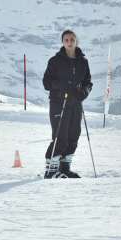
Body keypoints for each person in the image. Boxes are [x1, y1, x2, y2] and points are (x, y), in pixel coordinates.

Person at [40, 29, 92, 179]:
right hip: (59, 102)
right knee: (60, 136)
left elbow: (88, 82)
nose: (69, 42)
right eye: (66, 40)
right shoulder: (55, 61)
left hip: (76, 103)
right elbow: (46, 82)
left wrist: (84, 92)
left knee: (73, 135)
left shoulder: (83, 62)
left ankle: (65, 168)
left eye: (72, 40)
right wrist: (61, 87)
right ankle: (51, 171)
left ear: (76, 41)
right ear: (62, 42)